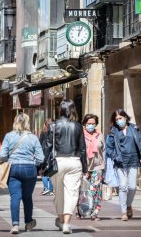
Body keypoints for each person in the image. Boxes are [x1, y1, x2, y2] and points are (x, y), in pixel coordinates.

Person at [43, 99, 87, 234]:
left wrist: (43, 163)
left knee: (58, 193)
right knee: (72, 193)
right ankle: (67, 223)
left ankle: (61, 220)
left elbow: (47, 146)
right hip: (75, 161)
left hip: (58, 162)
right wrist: (85, 168)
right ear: (73, 109)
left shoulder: (53, 125)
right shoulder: (78, 126)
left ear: (60, 109)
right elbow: (83, 149)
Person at [0, 113, 44, 234]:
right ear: (28, 123)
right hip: (29, 168)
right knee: (27, 197)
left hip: (13, 168)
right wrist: (32, 162)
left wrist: (9, 158)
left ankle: (15, 225)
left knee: (15, 197)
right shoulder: (33, 137)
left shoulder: (8, 136)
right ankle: (28, 222)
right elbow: (41, 158)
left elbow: (2, 155)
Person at [105, 109, 141, 221]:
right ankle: (124, 211)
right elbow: (108, 148)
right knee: (123, 187)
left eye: (121, 118)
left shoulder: (134, 128)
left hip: (133, 160)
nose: (119, 120)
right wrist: (115, 157)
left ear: (125, 117)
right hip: (120, 162)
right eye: (117, 119)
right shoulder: (113, 131)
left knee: (132, 187)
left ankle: (128, 205)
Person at [82, 113, 105, 221]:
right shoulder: (81, 135)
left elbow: (104, 150)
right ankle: (83, 209)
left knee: (96, 190)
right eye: (89, 123)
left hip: (97, 166)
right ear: (85, 124)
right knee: (84, 190)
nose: (91, 125)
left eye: (93, 123)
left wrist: (104, 165)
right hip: (84, 167)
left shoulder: (100, 135)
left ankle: (94, 212)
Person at [39, 118, 54, 196]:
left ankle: (46, 188)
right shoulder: (54, 132)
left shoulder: (43, 132)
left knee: (43, 171)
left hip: (44, 152)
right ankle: (51, 190)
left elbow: (40, 143)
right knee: (51, 172)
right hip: (53, 153)